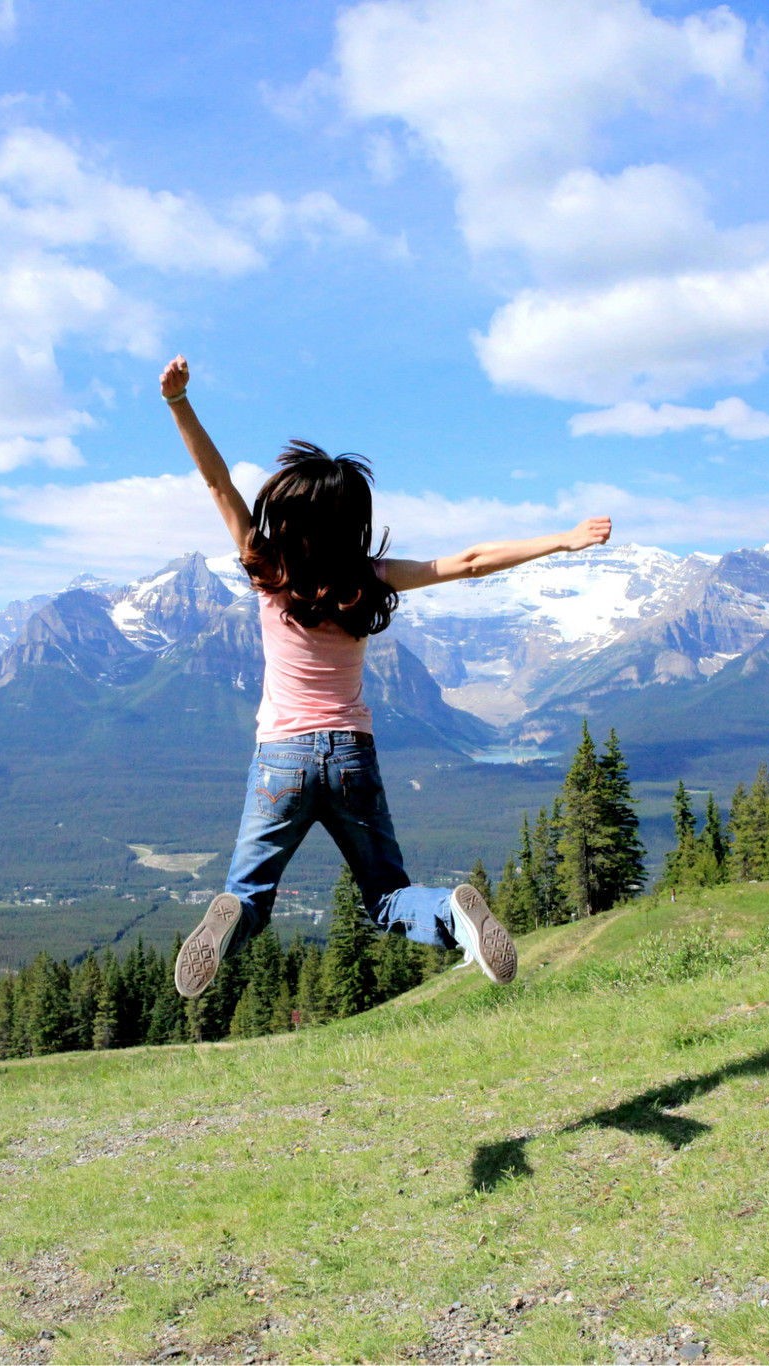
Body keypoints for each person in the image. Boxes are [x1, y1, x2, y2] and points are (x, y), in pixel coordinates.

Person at [161, 355, 613, 1001]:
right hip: (350, 754)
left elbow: (217, 485)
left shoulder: (265, 566)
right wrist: (562, 539)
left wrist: (179, 403)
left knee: (249, 895)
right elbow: (471, 562)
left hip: (280, 760)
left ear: (284, 512)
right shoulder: (369, 578)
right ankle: (452, 915)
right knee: (387, 898)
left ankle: (231, 919)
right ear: (354, 520)